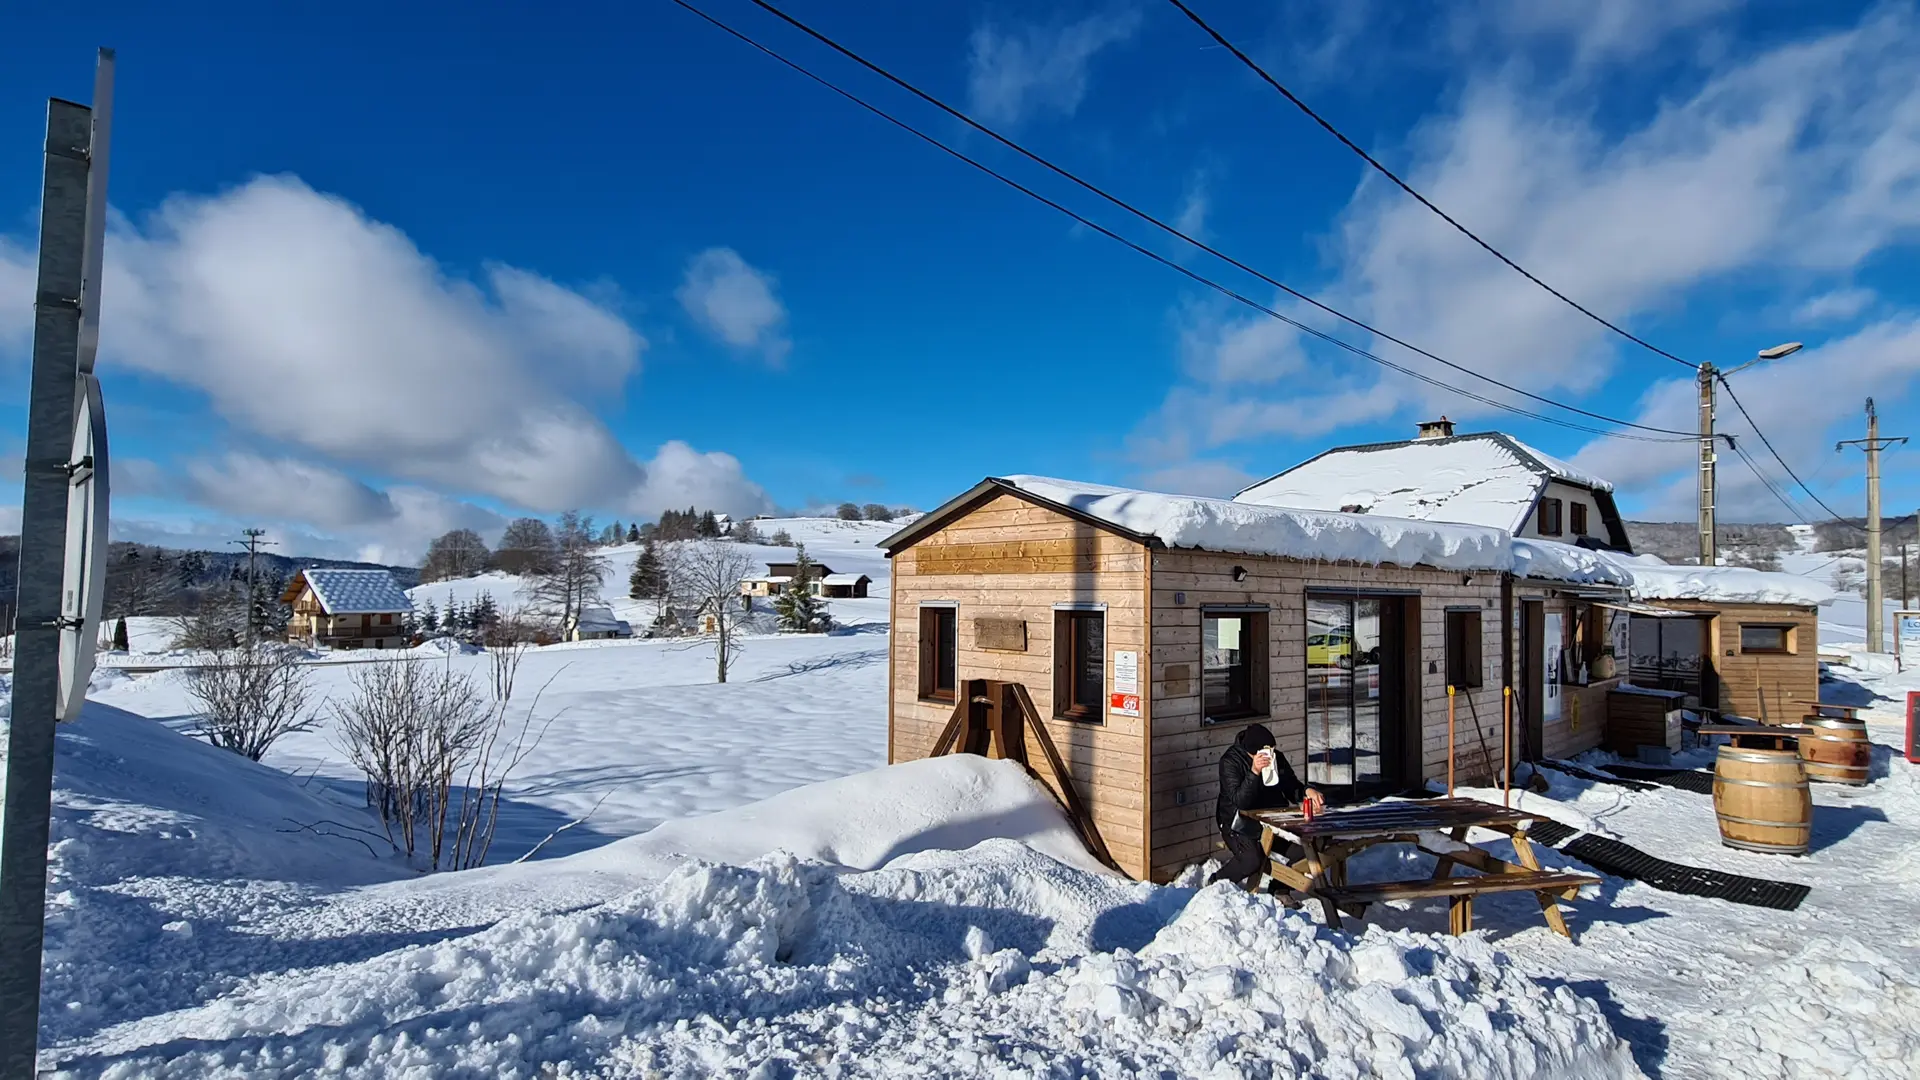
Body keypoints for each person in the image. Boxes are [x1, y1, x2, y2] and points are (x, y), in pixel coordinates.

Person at [1209, 723, 1325, 889]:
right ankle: (1216, 881)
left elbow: (1291, 786)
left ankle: (1280, 888)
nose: (1270, 754)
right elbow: (1240, 801)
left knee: (1307, 850)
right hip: (1238, 822)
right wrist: (1254, 772)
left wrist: (1307, 791)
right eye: (1266, 751)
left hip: (1272, 819)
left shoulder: (1276, 758)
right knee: (1252, 860)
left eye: (1272, 750)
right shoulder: (1230, 762)